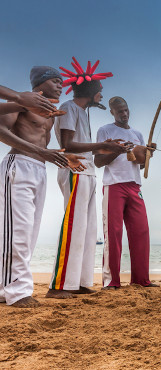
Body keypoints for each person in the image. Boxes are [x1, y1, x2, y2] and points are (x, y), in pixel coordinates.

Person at [0, 66, 86, 308]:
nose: (61, 85)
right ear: (40, 84)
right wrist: (39, 151)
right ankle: (17, 291)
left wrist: (60, 157)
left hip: (39, 169)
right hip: (19, 165)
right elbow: (1, 131)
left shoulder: (49, 112)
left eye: (61, 82)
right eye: (55, 81)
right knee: (18, 230)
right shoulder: (22, 101)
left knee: (29, 232)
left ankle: (5, 288)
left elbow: (43, 145)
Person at [46, 58, 130, 299]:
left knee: (87, 230)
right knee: (73, 226)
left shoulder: (81, 111)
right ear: (90, 90)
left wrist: (109, 146)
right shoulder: (69, 107)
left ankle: (79, 282)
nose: (102, 94)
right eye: (100, 90)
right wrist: (102, 144)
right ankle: (58, 285)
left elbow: (85, 146)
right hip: (75, 172)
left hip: (88, 172)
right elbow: (68, 144)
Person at [94, 96, 157, 289]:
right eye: (119, 111)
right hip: (114, 185)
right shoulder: (105, 130)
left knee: (141, 231)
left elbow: (139, 164)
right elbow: (98, 162)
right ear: (112, 112)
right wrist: (118, 151)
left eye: (126, 110)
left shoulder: (137, 134)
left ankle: (141, 279)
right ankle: (111, 281)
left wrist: (148, 154)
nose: (124, 114)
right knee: (113, 232)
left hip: (134, 185)